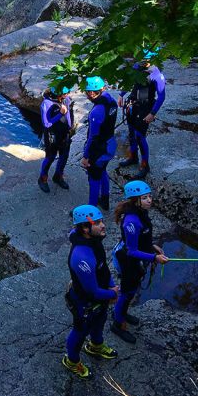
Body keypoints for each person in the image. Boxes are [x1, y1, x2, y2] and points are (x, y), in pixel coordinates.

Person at [63, 204, 120, 379]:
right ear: (85, 228)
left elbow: (103, 270)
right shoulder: (82, 257)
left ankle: (95, 346)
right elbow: (92, 292)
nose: (103, 225)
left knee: (100, 321)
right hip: (84, 303)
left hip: (100, 295)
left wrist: (111, 286)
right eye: (97, 223)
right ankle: (71, 361)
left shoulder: (94, 242)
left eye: (101, 221)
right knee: (80, 332)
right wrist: (113, 294)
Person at [109, 180, 169, 344]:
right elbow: (132, 250)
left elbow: (142, 240)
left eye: (149, 196)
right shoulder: (131, 222)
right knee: (127, 291)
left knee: (131, 290)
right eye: (144, 198)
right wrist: (154, 258)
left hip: (135, 258)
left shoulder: (141, 213)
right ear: (135, 200)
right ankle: (117, 323)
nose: (149, 200)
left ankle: (122, 312)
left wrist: (152, 247)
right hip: (127, 259)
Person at [118, 51, 166, 179]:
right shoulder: (136, 67)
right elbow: (129, 81)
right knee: (131, 133)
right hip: (133, 105)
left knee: (140, 136)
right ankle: (133, 157)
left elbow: (161, 96)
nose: (142, 63)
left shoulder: (156, 75)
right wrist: (121, 95)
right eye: (141, 60)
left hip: (146, 107)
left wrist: (152, 113)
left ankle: (145, 166)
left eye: (146, 61)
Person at [81, 76, 118, 210]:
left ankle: (91, 209)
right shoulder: (111, 100)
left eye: (90, 92)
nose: (90, 95)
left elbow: (92, 137)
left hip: (99, 149)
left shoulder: (96, 112)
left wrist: (86, 156)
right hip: (110, 143)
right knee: (102, 171)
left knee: (93, 176)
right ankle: (105, 201)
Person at [38, 83, 73, 192]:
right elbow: (46, 123)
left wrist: (69, 126)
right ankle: (43, 179)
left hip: (64, 133)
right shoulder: (47, 103)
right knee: (50, 157)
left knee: (64, 156)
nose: (67, 95)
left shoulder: (66, 100)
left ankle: (58, 176)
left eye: (68, 93)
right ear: (58, 93)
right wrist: (60, 114)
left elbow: (68, 116)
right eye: (65, 93)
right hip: (52, 135)